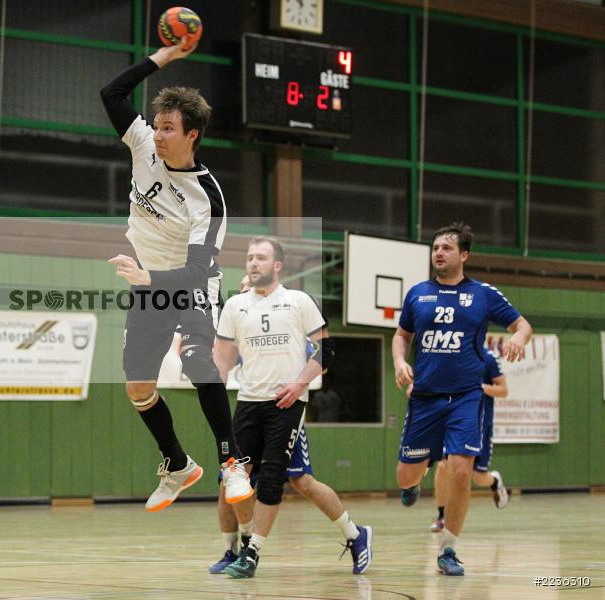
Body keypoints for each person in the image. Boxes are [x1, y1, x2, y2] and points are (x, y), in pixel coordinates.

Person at [100, 37, 252, 512]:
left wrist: (148, 282)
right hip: (149, 283)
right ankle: (179, 464)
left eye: (169, 129)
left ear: (192, 136)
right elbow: (111, 94)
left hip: (189, 286)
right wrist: (164, 57)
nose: (159, 135)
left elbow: (192, 273)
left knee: (197, 362)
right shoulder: (144, 146)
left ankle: (232, 462)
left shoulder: (208, 200)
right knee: (138, 388)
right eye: (158, 126)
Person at [212, 237, 371, 578]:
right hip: (248, 402)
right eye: (250, 257)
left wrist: (299, 384)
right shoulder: (235, 307)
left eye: (261, 257)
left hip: (286, 402)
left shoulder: (298, 301)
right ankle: (235, 547)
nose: (253, 262)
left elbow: (325, 353)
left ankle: (252, 553)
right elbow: (223, 357)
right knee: (233, 479)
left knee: (283, 479)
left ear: (277, 265)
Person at [393, 222, 532, 576]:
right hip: (424, 397)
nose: (438, 252)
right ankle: (414, 481)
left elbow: (523, 325)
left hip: (467, 397)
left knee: (460, 471)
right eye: (436, 247)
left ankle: (448, 550)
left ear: (464, 255)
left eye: (447, 248)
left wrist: (518, 339)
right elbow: (401, 335)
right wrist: (399, 361)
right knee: (405, 477)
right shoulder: (417, 294)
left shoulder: (484, 294)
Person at [428, 348, 509, 532]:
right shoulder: (453, 354)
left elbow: (503, 390)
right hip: (454, 422)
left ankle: (494, 481)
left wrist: (480, 387)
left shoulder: (488, 358)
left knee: (478, 477)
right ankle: (442, 516)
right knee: (442, 466)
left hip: (480, 425)